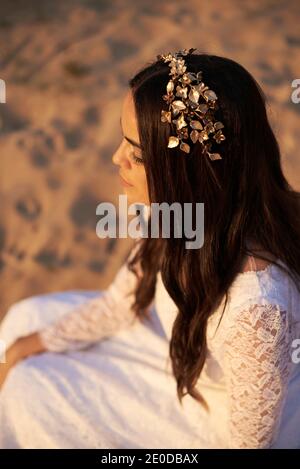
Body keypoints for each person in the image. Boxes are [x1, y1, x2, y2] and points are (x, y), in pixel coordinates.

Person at [0, 49, 300, 449]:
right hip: (172, 346)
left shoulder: (256, 309)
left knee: (29, 389)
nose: (115, 159)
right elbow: (120, 303)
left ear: (191, 173)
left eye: (136, 153)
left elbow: (248, 445)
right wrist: (30, 345)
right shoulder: (175, 212)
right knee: (24, 321)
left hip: (215, 415)